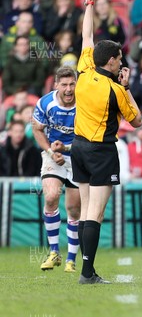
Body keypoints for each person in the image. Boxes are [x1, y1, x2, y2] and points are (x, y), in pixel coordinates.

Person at [71, 0, 142, 285]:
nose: (122, 61)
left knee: (86, 208)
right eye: (119, 58)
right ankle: (87, 272)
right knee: (95, 213)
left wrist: (89, 4)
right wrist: (127, 89)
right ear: (111, 61)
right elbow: (137, 121)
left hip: (78, 147)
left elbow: (87, 36)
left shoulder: (84, 70)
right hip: (101, 151)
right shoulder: (115, 89)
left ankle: (83, 267)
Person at [32, 66, 80, 273]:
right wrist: (52, 152)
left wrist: (68, 148)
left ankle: (71, 259)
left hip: (79, 157)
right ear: (56, 85)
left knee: (74, 209)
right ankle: (54, 252)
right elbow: (37, 129)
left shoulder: (85, 103)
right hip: (53, 155)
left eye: (72, 84)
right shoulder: (45, 103)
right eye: (65, 85)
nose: (69, 89)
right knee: (51, 196)